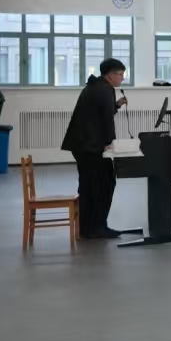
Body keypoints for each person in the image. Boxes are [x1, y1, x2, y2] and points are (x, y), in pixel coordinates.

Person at [60, 58, 128, 239]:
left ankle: (89, 227)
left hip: (83, 145)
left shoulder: (95, 86)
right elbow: (106, 121)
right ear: (110, 75)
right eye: (121, 74)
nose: (122, 78)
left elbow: (98, 113)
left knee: (91, 185)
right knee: (102, 184)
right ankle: (96, 228)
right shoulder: (105, 90)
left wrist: (116, 105)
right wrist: (111, 143)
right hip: (90, 147)